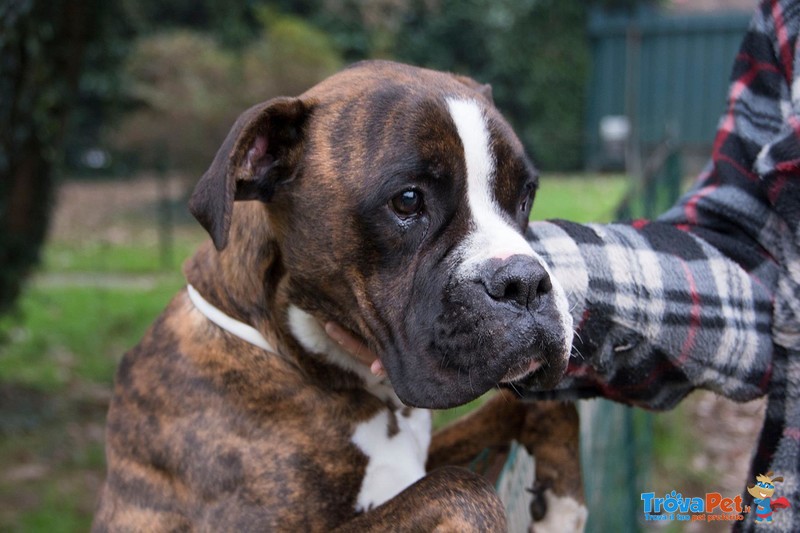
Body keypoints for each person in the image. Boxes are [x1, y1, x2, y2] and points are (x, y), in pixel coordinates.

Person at [326, 1, 800, 530]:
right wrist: (540, 289)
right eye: (411, 204)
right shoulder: (785, 18)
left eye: (518, 201)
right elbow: (749, 261)